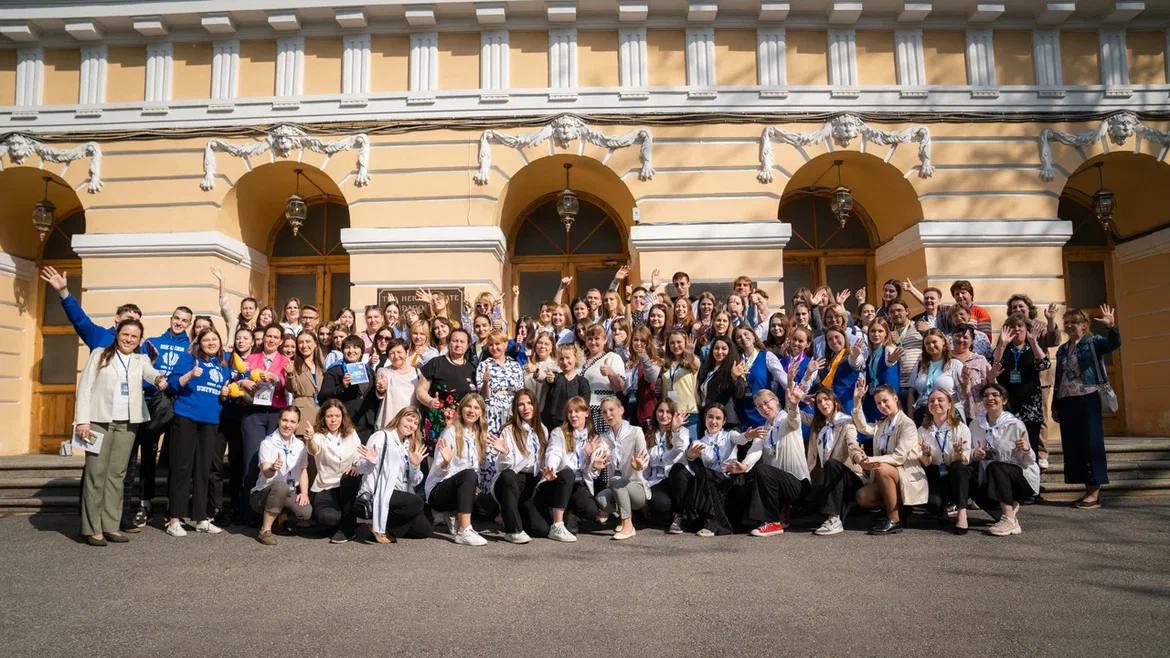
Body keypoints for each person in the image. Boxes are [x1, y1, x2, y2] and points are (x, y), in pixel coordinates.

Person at [74, 319, 166, 546]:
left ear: (139, 340)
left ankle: (110, 525)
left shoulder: (140, 359)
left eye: (134, 337)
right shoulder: (99, 354)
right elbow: (84, 388)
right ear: (117, 334)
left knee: (117, 475)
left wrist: (158, 378)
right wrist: (82, 421)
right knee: (96, 474)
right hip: (98, 421)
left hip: (128, 423)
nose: (129, 339)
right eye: (125, 334)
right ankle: (92, 527)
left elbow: (151, 373)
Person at [164, 327, 232, 537]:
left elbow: (221, 394)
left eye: (214, 339)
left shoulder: (222, 366)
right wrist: (190, 375)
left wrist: (225, 393)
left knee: (203, 470)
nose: (211, 343)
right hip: (186, 418)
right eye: (206, 340)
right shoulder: (189, 359)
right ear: (199, 343)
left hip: (210, 421)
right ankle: (174, 519)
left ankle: (201, 518)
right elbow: (172, 385)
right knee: (182, 468)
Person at [1053, 305, 1120, 509]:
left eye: (1075, 322)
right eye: (1067, 323)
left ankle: (1094, 493)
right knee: (1075, 447)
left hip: (1087, 398)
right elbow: (1059, 378)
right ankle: (1087, 491)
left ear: (1084, 325)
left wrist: (1112, 327)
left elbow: (1113, 343)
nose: (1070, 326)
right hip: (1067, 400)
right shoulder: (1064, 349)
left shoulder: (1093, 342)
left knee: (1091, 445)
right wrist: (1056, 404)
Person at [851, 378, 926, 535]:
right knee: (862, 497)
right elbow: (863, 427)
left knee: (882, 468)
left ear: (895, 398)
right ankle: (895, 509)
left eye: (885, 401)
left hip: (907, 474)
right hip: (888, 475)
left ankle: (894, 519)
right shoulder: (882, 424)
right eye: (878, 403)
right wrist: (857, 401)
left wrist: (873, 459)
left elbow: (899, 457)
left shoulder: (907, 424)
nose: (882, 406)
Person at [677, 404, 760, 536]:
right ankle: (709, 523)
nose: (713, 422)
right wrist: (690, 456)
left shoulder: (729, 435)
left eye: (718, 418)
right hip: (712, 483)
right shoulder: (699, 442)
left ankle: (701, 521)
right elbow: (690, 457)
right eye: (710, 417)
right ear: (704, 419)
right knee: (702, 473)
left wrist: (748, 435)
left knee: (704, 474)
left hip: (730, 481)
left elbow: (741, 439)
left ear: (724, 421)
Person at [237, 324, 291, 524]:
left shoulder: (285, 361)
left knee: (275, 461)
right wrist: (244, 382)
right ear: (263, 338)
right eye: (269, 335)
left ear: (280, 340)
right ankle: (248, 515)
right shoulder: (251, 358)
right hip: (254, 413)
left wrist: (277, 378)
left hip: (276, 412)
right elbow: (237, 377)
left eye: (276, 337)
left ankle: (271, 515)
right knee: (252, 461)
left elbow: (290, 384)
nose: (271, 340)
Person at [355, 407, 431, 544]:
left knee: (424, 530)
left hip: (401, 493)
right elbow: (361, 469)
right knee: (416, 502)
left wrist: (414, 466)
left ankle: (381, 527)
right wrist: (370, 462)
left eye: (415, 423)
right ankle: (382, 529)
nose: (411, 425)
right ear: (399, 418)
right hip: (380, 492)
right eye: (408, 419)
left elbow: (414, 481)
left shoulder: (409, 444)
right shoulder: (381, 436)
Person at [971, 383, 1039, 536]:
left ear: (1004, 400)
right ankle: (1010, 517)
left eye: (995, 395)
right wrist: (975, 453)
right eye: (986, 396)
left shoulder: (1015, 424)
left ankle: (1008, 517)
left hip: (1020, 478)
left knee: (997, 467)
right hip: (992, 477)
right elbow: (970, 450)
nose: (990, 398)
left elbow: (1029, 461)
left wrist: (1026, 449)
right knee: (979, 493)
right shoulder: (975, 424)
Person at [424, 394, 490, 546]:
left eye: (476, 407)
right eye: (468, 406)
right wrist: (446, 463)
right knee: (468, 474)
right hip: (439, 491)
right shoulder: (450, 432)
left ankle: (455, 515)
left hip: (462, 488)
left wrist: (504, 453)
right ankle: (464, 530)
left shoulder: (480, 435)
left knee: (487, 504)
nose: (472, 411)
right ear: (461, 409)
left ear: (481, 412)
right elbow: (440, 471)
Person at [747, 384, 811, 538]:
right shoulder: (764, 428)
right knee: (750, 474)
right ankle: (759, 519)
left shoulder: (785, 420)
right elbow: (755, 452)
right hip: (779, 486)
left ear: (776, 401)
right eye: (759, 406)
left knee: (762, 470)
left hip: (798, 484)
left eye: (766, 402)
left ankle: (773, 522)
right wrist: (743, 465)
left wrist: (794, 404)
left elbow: (794, 419)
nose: (764, 407)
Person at [991, 315, 1051, 467]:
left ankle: (1032, 483)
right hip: (1010, 404)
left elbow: (1044, 364)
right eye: (1013, 327)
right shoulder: (1004, 348)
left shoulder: (1032, 348)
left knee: (1030, 445)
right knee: (1010, 445)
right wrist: (1002, 345)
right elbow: (994, 364)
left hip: (1030, 404)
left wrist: (1033, 341)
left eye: (1020, 326)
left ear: (1026, 329)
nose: (1017, 330)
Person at [541, 396, 602, 542]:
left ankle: (570, 512)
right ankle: (557, 524)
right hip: (559, 481)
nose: (573, 415)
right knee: (568, 473)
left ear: (586, 413)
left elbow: (592, 474)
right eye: (570, 412)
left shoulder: (592, 437)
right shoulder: (559, 432)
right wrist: (551, 468)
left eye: (577, 411)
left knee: (591, 511)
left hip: (579, 484)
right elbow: (553, 452)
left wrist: (592, 463)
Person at [492, 390, 549, 543]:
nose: (526, 408)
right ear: (516, 409)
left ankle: (512, 515)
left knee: (541, 529)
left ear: (535, 406)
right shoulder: (509, 430)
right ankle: (513, 530)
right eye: (521, 405)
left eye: (529, 403)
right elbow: (504, 468)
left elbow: (542, 461)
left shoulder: (542, 430)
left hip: (531, 484)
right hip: (511, 480)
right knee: (509, 476)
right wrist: (505, 452)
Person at [40, 265, 142, 350]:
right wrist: (63, 291)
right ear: (117, 318)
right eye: (129, 318)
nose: (133, 323)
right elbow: (79, 319)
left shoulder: (138, 345)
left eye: (136, 321)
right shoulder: (99, 335)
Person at [806, 388, 863, 536]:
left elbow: (852, 445)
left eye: (826, 399)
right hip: (828, 480)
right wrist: (799, 399)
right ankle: (838, 509)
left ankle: (834, 518)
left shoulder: (847, 422)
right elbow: (794, 414)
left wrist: (860, 458)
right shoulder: (818, 425)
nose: (823, 403)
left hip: (849, 477)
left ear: (835, 401)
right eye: (819, 401)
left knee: (831, 464)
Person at [250, 407, 311, 546]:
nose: (288, 425)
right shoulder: (268, 443)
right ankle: (265, 531)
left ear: (297, 425)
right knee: (280, 486)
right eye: (284, 420)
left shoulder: (300, 445)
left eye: (292, 421)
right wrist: (273, 467)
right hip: (262, 494)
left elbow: (303, 470)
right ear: (279, 420)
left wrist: (304, 493)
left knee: (305, 512)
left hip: (287, 492)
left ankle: (279, 521)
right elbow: (266, 472)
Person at [592, 397, 651, 541]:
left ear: (621, 410)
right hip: (616, 486)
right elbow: (598, 458)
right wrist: (594, 463)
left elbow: (645, 459)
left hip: (636, 487)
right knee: (601, 498)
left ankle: (628, 525)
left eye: (611, 410)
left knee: (616, 480)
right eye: (604, 412)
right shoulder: (604, 437)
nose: (608, 415)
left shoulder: (636, 431)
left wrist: (639, 465)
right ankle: (622, 520)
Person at [306, 399, 362, 543]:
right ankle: (344, 522)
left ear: (343, 417)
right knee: (328, 518)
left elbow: (358, 455)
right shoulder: (318, 436)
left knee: (351, 477)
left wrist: (356, 465)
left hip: (347, 484)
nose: (333, 420)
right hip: (326, 486)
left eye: (337, 416)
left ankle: (347, 529)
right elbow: (314, 450)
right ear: (323, 417)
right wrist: (310, 439)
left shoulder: (351, 433)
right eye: (330, 416)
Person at [917, 390, 973, 534]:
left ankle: (962, 513)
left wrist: (958, 453)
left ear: (949, 404)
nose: (935, 403)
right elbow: (925, 463)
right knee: (933, 504)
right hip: (934, 472)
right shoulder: (922, 430)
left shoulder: (960, 428)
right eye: (931, 401)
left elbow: (965, 460)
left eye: (940, 400)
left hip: (955, 474)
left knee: (959, 468)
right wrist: (926, 454)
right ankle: (942, 509)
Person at [416, 328, 478, 444]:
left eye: (462, 341)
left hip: (463, 425)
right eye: (455, 341)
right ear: (449, 343)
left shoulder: (472, 369)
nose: (458, 344)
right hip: (438, 423)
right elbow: (420, 391)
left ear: (468, 345)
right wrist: (430, 401)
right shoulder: (436, 363)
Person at [319, 335, 379, 442]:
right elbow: (323, 396)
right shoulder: (334, 370)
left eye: (356, 347)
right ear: (342, 351)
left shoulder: (369, 370)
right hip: (345, 422)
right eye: (347, 347)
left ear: (362, 351)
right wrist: (342, 387)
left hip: (366, 423)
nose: (351, 351)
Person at [643, 399, 689, 530]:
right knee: (661, 504)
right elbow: (645, 464)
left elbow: (680, 449)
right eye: (660, 411)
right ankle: (665, 514)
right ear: (655, 413)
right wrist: (644, 487)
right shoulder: (649, 434)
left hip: (674, 480)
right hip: (656, 480)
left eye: (669, 412)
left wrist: (675, 430)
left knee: (678, 472)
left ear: (674, 415)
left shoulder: (682, 432)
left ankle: (678, 515)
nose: (664, 415)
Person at [731, 326, 787, 431]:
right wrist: (734, 377)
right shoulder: (735, 361)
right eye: (738, 337)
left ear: (753, 335)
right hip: (743, 413)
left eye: (746, 334)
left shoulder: (767, 356)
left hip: (764, 411)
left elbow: (783, 378)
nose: (743, 338)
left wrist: (800, 394)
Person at [909, 328, 965, 424]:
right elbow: (911, 391)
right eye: (927, 343)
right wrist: (910, 416)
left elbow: (963, 392)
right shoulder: (920, 365)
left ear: (943, 341)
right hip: (923, 413)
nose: (931, 345)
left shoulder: (955, 364)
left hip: (948, 414)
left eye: (934, 342)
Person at [476, 330, 526, 435]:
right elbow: (482, 397)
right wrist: (485, 383)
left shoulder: (515, 365)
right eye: (490, 345)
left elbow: (521, 392)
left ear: (505, 344)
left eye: (497, 344)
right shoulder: (484, 365)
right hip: (492, 413)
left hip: (512, 411)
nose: (494, 348)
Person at [580, 324, 626, 434]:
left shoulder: (612, 357)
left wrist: (611, 373)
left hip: (603, 411)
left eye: (597, 339)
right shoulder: (582, 360)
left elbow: (620, 386)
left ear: (605, 340)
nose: (593, 342)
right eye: (589, 339)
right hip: (584, 410)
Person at [858, 318, 903, 423]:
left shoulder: (889, 349)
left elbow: (889, 362)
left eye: (880, 331)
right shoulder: (870, 353)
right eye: (873, 331)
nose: (876, 334)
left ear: (886, 334)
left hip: (886, 400)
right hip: (872, 398)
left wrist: (891, 360)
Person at [659, 330, 700, 440]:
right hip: (671, 414)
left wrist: (690, 354)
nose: (675, 345)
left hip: (689, 412)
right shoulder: (665, 365)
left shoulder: (691, 362)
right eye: (672, 343)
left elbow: (695, 363)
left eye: (679, 342)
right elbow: (664, 390)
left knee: (691, 447)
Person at [814, 327, 864, 415]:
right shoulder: (828, 359)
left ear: (844, 337)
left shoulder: (850, 354)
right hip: (832, 405)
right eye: (830, 339)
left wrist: (855, 356)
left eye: (837, 337)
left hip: (848, 404)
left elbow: (855, 363)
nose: (834, 341)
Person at [697, 336, 745, 426]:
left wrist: (734, 377)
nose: (719, 352)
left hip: (726, 421)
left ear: (729, 351)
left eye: (724, 349)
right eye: (716, 348)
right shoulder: (709, 369)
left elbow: (740, 393)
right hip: (709, 419)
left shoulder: (733, 369)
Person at [541, 343, 590, 431]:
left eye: (568, 358)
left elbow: (584, 405)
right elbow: (550, 381)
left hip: (575, 424)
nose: (564, 362)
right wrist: (549, 380)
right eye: (561, 359)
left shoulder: (582, 382)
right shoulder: (555, 377)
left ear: (576, 358)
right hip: (554, 425)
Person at [285, 331, 324, 440]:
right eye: (301, 342)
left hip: (319, 412)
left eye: (308, 341)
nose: (304, 345)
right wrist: (290, 375)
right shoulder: (293, 365)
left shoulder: (321, 365)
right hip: (302, 412)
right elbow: (291, 389)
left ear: (315, 343)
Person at [373, 339, 419, 430]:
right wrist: (381, 387)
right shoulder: (384, 371)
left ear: (407, 352)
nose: (396, 356)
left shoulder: (417, 372)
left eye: (399, 352)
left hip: (411, 424)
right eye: (392, 353)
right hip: (389, 423)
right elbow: (381, 389)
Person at [625, 326, 663, 430]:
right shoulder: (629, 363)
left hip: (647, 412)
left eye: (642, 340)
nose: (638, 343)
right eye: (635, 340)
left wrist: (645, 359)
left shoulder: (655, 361)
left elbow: (651, 378)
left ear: (648, 342)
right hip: (630, 410)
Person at [950, 325, 990, 422]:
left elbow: (989, 384)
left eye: (965, 337)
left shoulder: (980, 360)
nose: (961, 339)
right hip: (951, 410)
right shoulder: (945, 359)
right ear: (952, 337)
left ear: (972, 341)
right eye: (958, 336)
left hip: (976, 411)